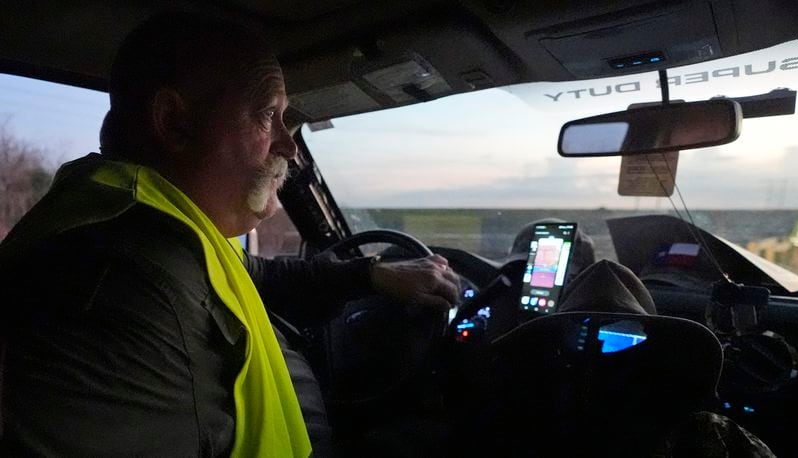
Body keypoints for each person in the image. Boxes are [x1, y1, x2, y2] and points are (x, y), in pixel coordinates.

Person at [0, 12, 459, 457]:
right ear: (175, 123)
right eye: (268, 115)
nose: (289, 145)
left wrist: (372, 276)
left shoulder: (162, 230)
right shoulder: (116, 285)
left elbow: (255, 275)